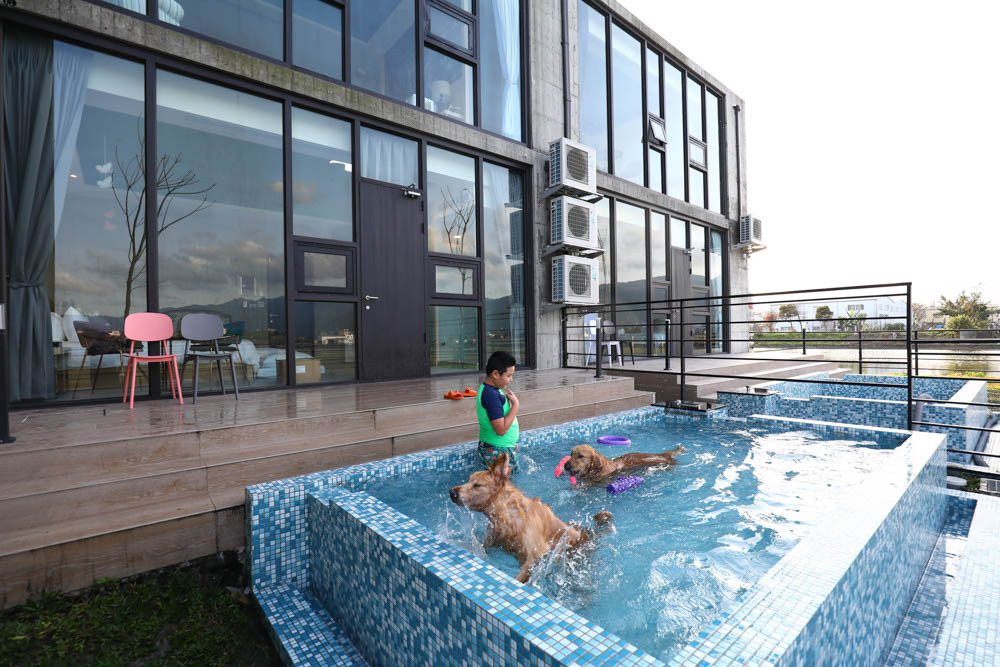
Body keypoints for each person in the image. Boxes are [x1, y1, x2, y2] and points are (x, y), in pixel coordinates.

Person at [476, 351, 520, 471]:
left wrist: (511, 443)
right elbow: (500, 430)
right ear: (495, 374)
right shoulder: (491, 395)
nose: (511, 379)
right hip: (498, 451)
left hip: (499, 448)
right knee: (505, 489)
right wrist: (516, 405)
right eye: (508, 375)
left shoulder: (493, 390)